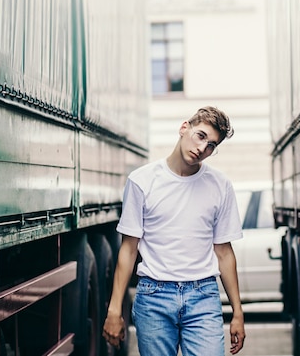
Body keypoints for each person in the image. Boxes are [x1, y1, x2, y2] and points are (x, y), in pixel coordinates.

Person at [102, 106, 246, 356]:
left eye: (211, 145)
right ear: (184, 128)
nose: (202, 148)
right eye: (201, 136)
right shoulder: (142, 181)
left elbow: (224, 252)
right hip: (154, 296)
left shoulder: (220, 185)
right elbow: (128, 249)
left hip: (203, 296)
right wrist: (114, 310)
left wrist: (237, 311)